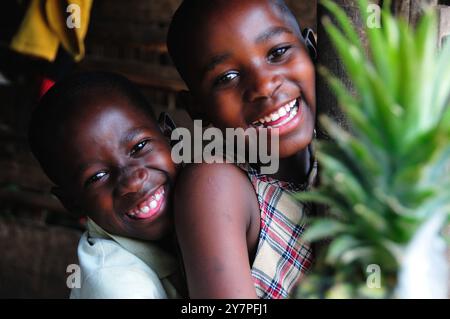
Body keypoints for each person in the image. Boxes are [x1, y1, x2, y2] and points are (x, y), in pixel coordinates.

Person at [166, 0, 317, 298]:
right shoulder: (215, 186)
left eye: (277, 53)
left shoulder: (341, 149)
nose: (263, 85)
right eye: (227, 78)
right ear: (197, 108)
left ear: (312, 51)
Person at [28, 71, 185, 299]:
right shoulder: (116, 285)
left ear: (170, 136)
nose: (131, 181)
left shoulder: (209, 191)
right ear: (72, 203)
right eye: (97, 176)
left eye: (139, 146)